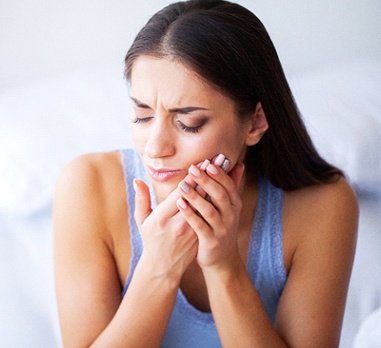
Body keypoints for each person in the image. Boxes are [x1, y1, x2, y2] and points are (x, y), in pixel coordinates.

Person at [53, 0, 359, 347]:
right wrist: (159, 267)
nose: (155, 148)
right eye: (142, 115)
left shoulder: (323, 204)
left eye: (189, 123)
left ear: (256, 122)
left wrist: (224, 267)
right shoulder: (86, 186)